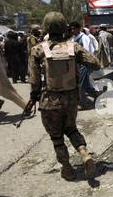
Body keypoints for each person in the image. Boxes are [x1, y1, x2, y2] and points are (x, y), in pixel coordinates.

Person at [28, 12, 101, 182]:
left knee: (56, 137)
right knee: (71, 129)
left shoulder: (38, 49)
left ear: (45, 27)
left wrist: (34, 96)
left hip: (49, 101)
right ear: (64, 28)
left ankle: (67, 168)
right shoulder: (73, 47)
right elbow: (95, 63)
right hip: (71, 100)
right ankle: (83, 153)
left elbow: (33, 79)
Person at [70, 21, 99, 108]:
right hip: (76, 65)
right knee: (85, 84)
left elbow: (87, 52)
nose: (72, 30)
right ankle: (96, 95)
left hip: (83, 65)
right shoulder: (73, 39)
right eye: (71, 29)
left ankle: (82, 104)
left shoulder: (84, 38)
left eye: (74, 29)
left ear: (78, 29)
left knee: (81, 84)